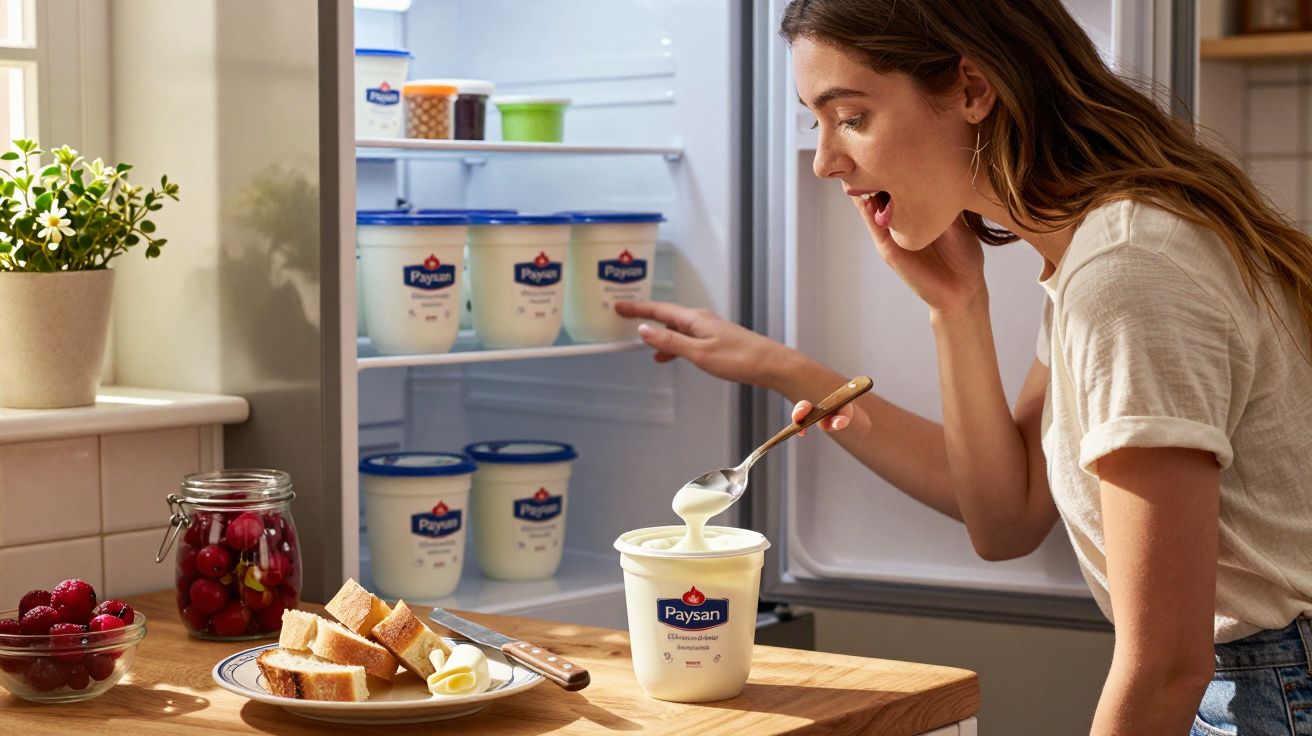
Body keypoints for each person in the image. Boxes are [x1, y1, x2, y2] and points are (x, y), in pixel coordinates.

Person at [616, 1, 1312, 734]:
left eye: (849, 116)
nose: (824, 159)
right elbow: (1007, 516)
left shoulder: (1127, 269)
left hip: (1269, 694)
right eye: (816, 122)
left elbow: (1167, 663)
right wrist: (943, 310)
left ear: (973, 90)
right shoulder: (1099, 247)